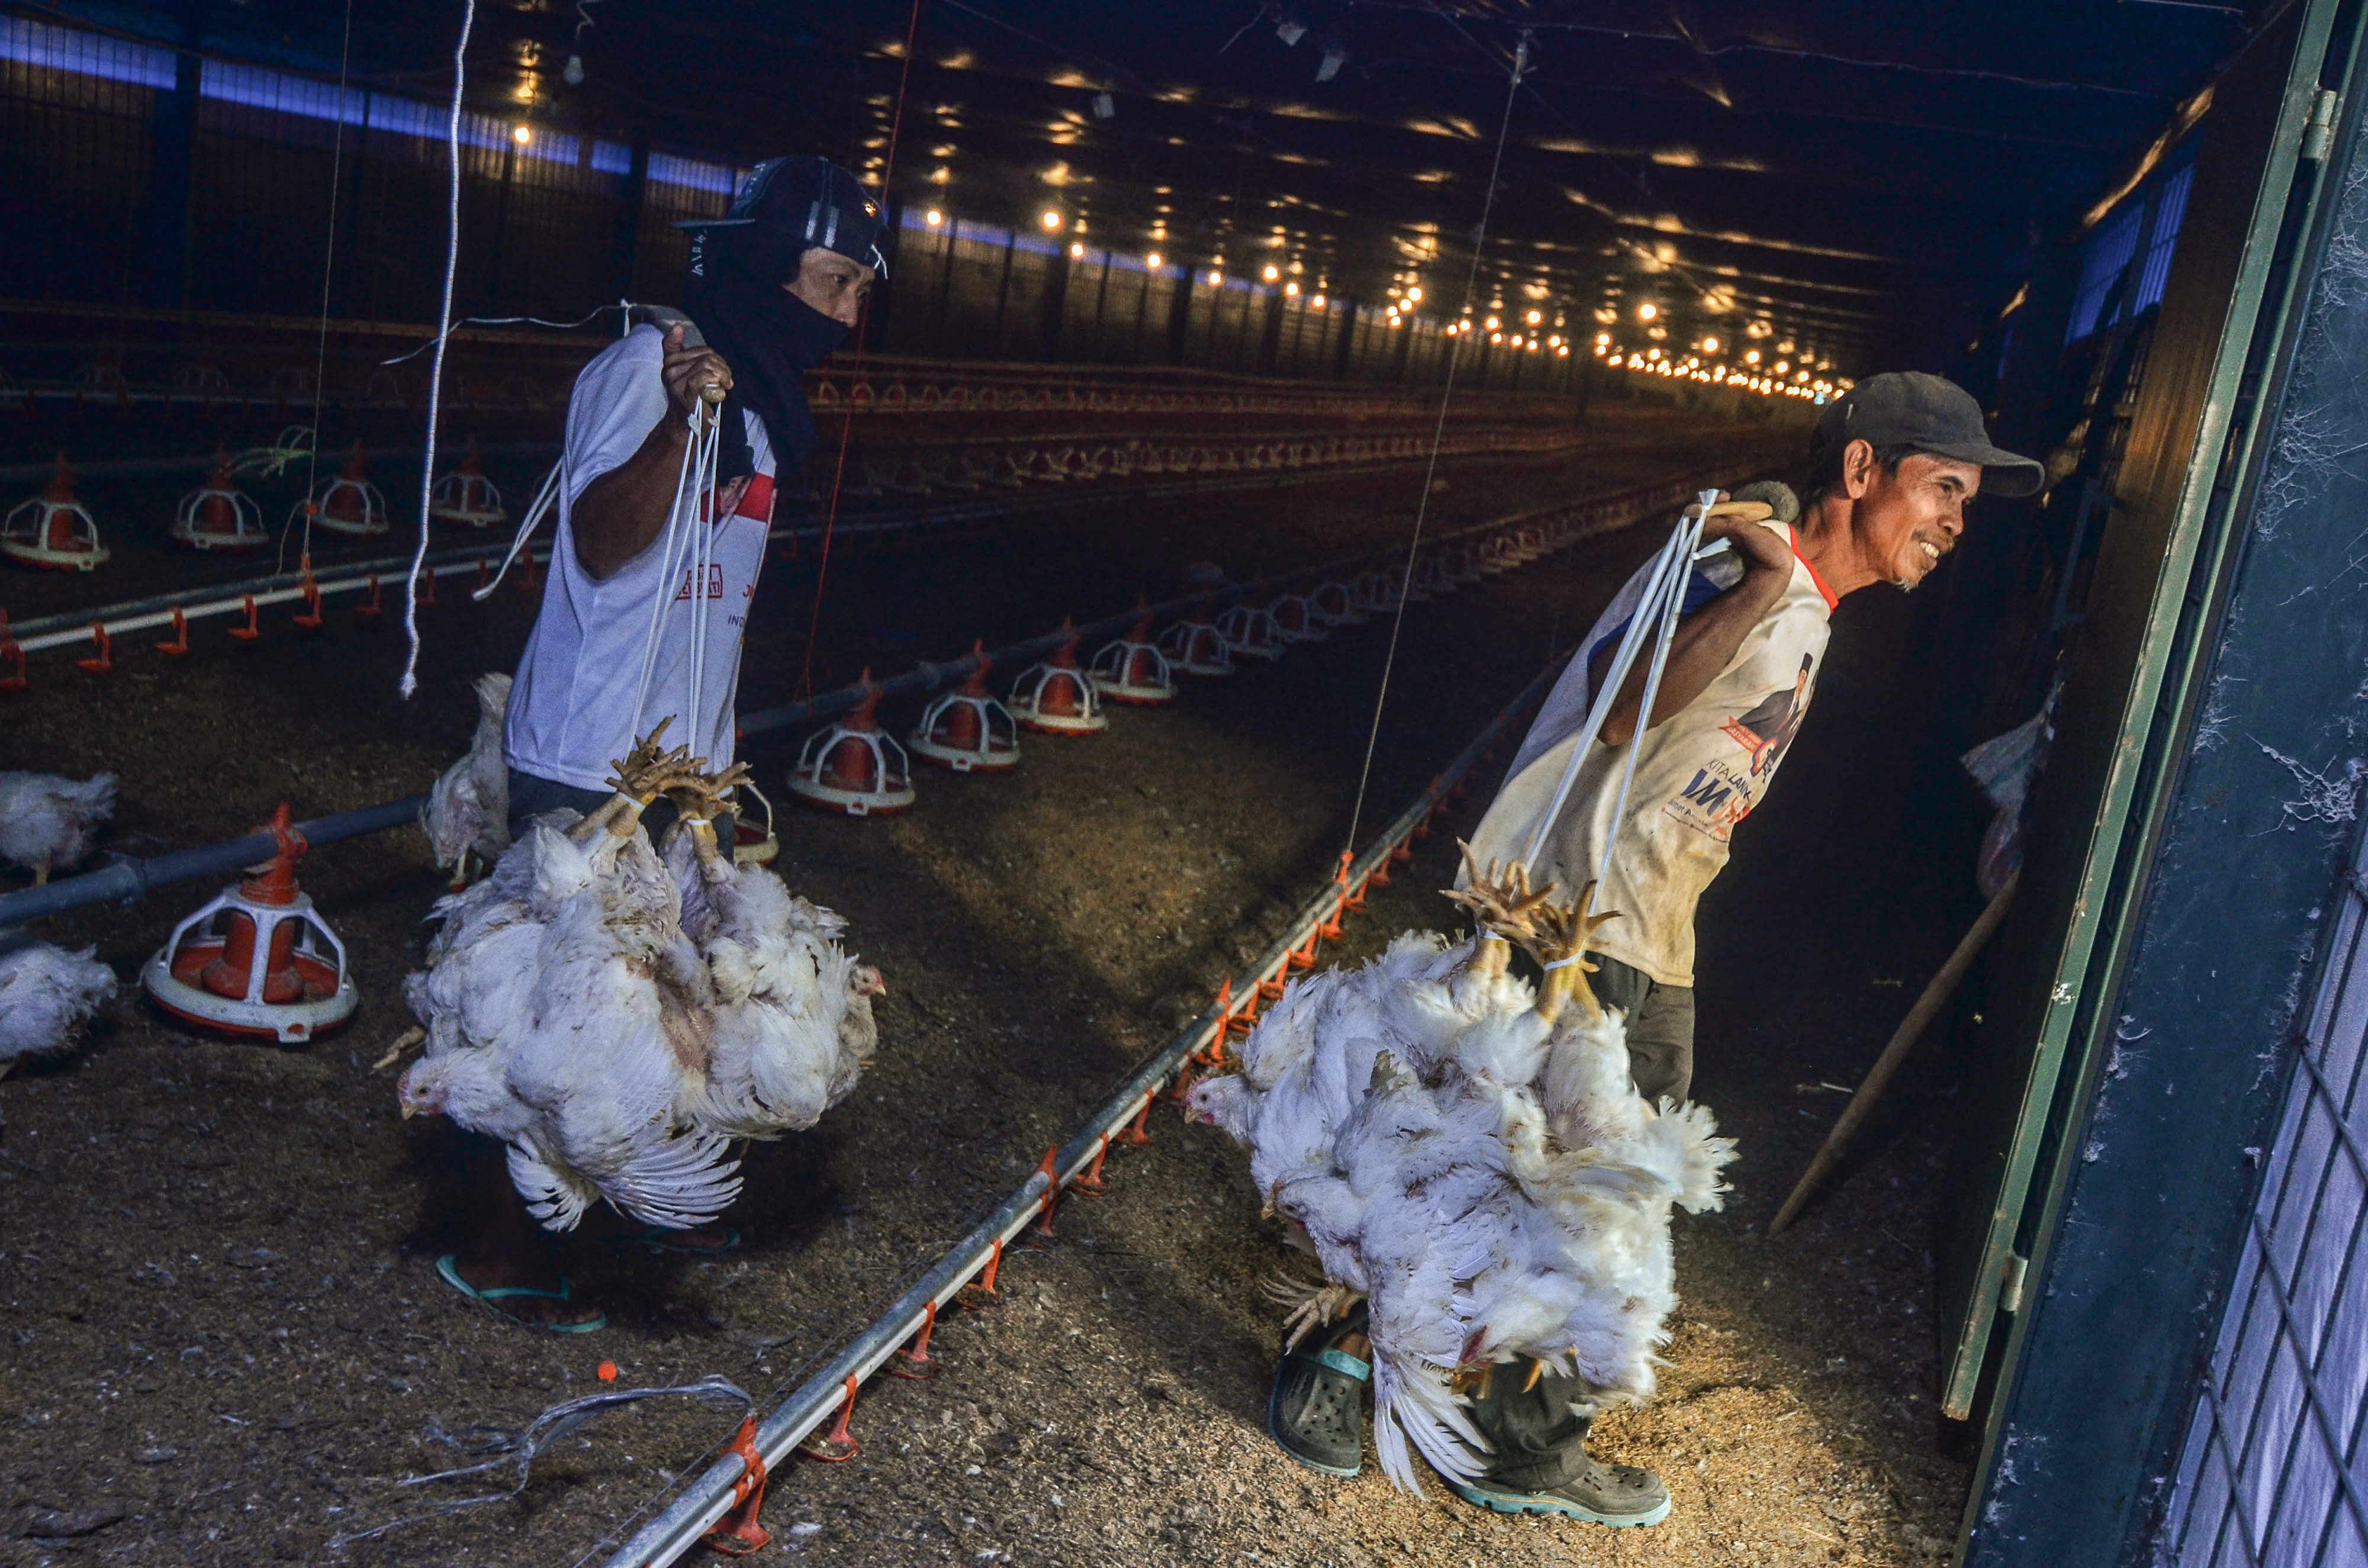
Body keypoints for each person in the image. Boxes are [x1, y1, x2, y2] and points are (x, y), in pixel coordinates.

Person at [1264, 371, 2044, 1521]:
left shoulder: (1802, 593)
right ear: (1861, 469)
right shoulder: (1742, 562)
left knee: (1598, 1190)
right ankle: (1353, 1363)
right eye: (1941, 488)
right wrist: (1766, 578)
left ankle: (1515, 1434)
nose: (1952, 523)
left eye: (1966, 502)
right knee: (1503, 1159)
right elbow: (1625, 705)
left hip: (1647, 930)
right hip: (1573, 919)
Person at [434, 156, 884, 1331]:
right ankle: (504, 1243)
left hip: (689, 763)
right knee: (553, 1008)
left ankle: (615, 1211)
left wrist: (721, 761)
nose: (845, 313)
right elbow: (598, 539)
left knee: (674, 1002)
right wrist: (685, 418)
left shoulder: (767, 401)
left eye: (856, 291)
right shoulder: (647, 367)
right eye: (831, 281)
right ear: (760, 269)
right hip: (586, 749)